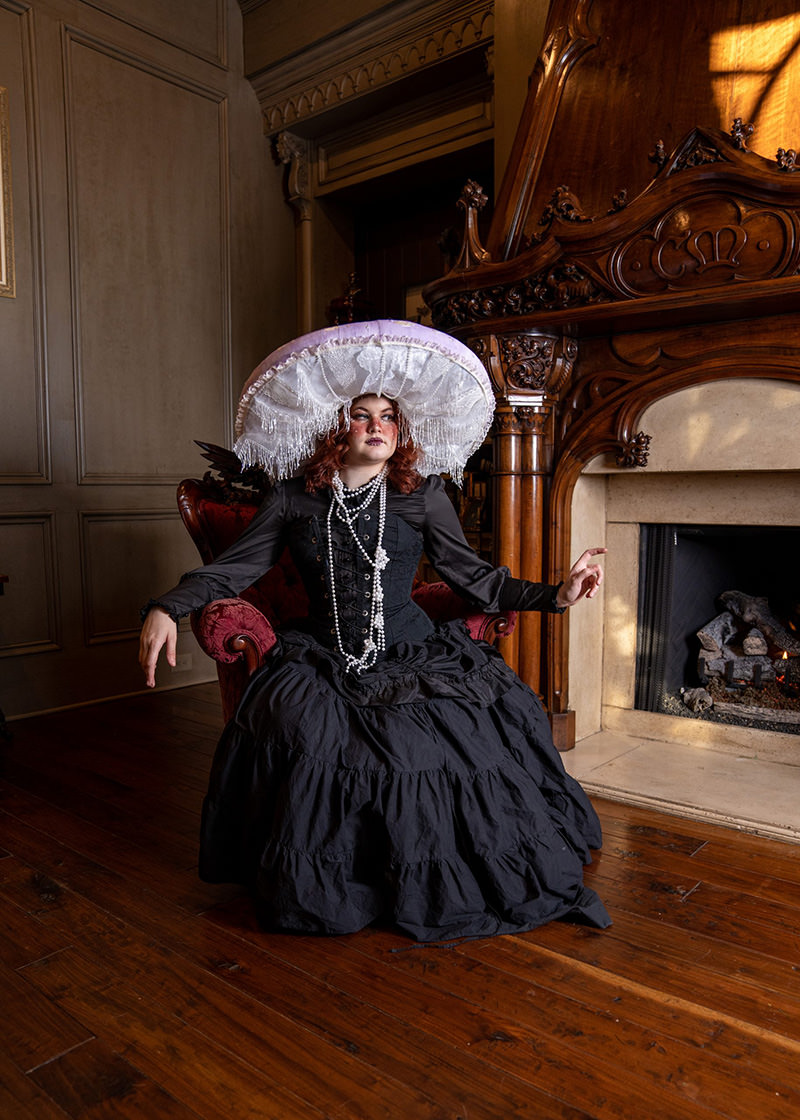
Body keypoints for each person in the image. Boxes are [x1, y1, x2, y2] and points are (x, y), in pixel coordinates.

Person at [139, 320, 611, 941]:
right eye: (362, 415)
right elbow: (234, 570)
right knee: (304, 732)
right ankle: (352, 877)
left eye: (389, 415)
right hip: (324, 657)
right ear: (337, 428)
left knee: (434, 747)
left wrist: (558, 594)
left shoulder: (424, 496)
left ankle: (423, 877)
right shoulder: (293, 500)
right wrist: (166, 606)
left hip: (413, 653)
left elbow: (476, 579)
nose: (378, 425)